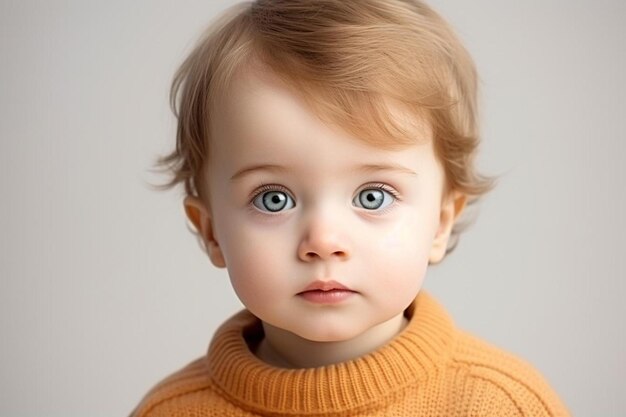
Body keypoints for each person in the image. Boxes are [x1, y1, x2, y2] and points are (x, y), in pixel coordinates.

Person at [130, 0, 570, 415]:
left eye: (372, 196)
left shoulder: (503, 405)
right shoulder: (170, 411)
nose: (323, 242)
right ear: (210, 231)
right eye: (273, 198)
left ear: (440, 222)